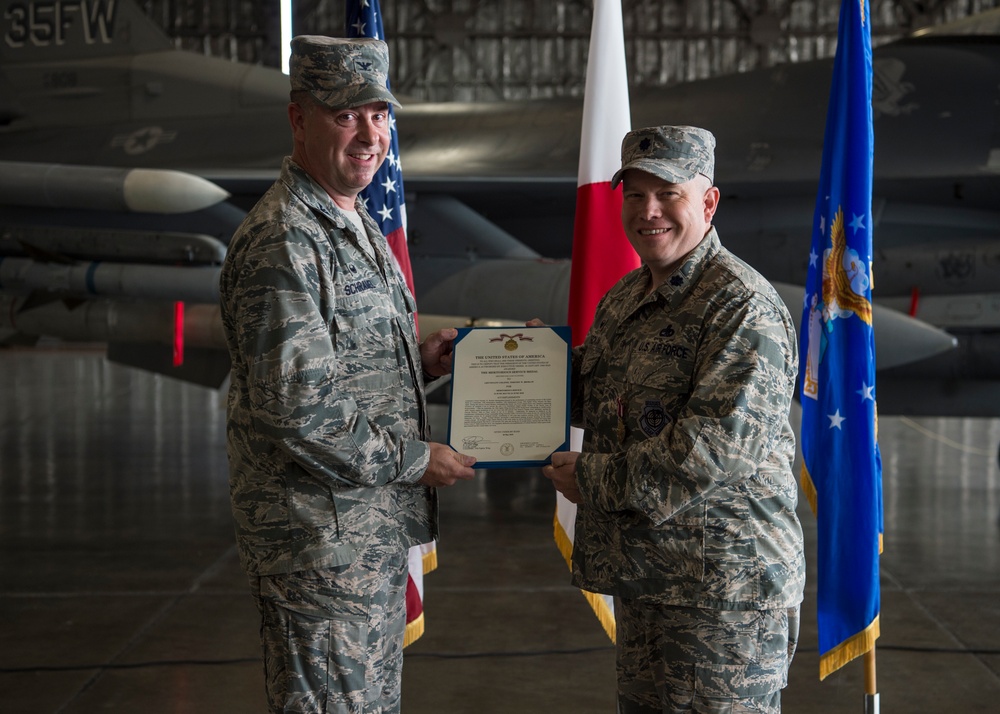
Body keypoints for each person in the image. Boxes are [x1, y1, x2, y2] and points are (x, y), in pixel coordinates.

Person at [219, 36, 477, 714]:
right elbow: (299, 415)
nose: (370, 136)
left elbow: (339, 365)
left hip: (364, 536)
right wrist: (418, 460)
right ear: (298, 118)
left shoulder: (352, 221)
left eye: (379, 114)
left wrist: (423, 364)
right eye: (345, 115)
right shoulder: (284, 241)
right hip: (318, 549)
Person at [542, 125, 805, 713]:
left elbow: (712, 452)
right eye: (635, 194)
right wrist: (522, 368)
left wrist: (592, 479)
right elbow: (604, 393)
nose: (648, 210)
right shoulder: (629, 295)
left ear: (708, 202)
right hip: (654, 579)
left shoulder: (741, 306)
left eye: (668, 193)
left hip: (723, 596)